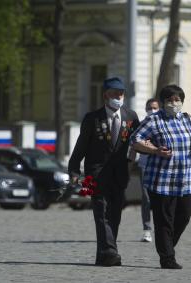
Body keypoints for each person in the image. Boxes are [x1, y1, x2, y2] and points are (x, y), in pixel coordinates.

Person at [130, 85, 191, 269]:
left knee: (185, 214)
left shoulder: (186, 119)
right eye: (169, 100)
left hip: (186, 180)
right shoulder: (154, 120)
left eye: (177, 100)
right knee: (164, 220)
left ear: (182, 102)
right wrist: (155, 150)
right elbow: (135, 140)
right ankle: (167, 258)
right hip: (162, 181)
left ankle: (166, 245)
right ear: (163, 102)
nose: (173, 103)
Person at [68, 77, 140, 267]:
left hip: (120, 174)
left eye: (121, 93)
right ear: (105, 95)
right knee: (101, 212)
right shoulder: (92, 118)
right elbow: (80, 147)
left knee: (114, 214)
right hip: (95, 174)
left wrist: (138, 160)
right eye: (115, 93)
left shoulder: (131, 117)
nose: (119, 96)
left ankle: (105, 254)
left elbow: (140, 141)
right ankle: (110, 251)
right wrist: (74, 170)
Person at [137, 98, 160, 243]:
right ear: (146, 109)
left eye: (155, 108)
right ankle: (147, 230)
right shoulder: (142, 125)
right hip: (145, 165)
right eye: (150, 107)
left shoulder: (163, 124)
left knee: (159, 199)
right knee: (146, 198)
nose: (152, 110)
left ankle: (161, 229)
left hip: (160, 165)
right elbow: (135, 143)